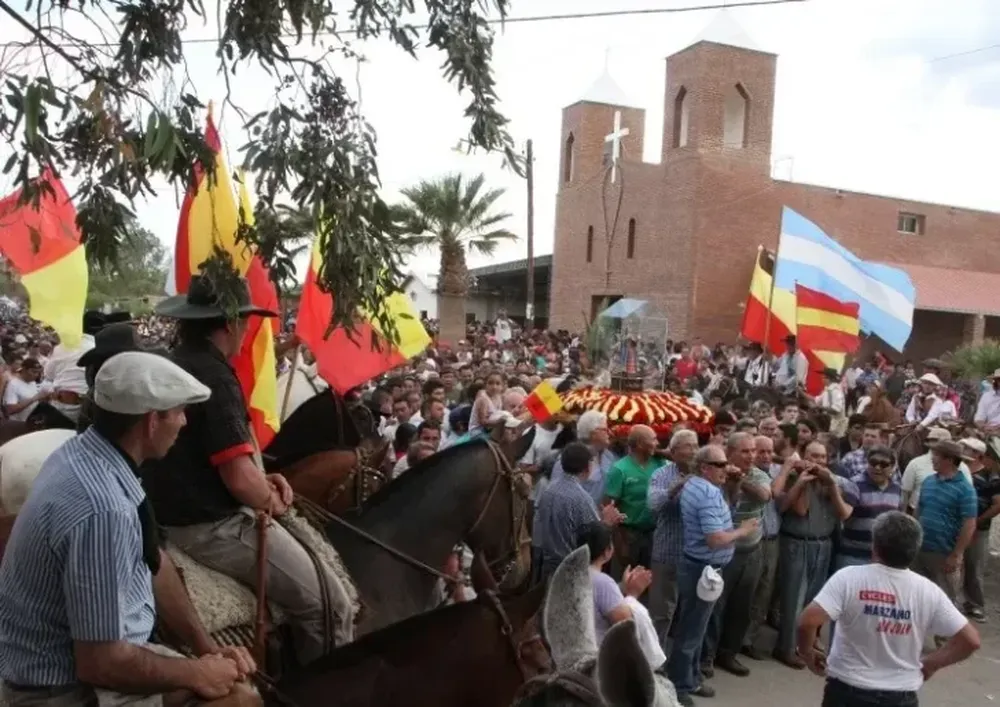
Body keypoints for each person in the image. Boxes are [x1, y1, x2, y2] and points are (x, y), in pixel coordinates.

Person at [0, 351, 257, 705]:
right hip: (59, 690)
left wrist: (208, 650)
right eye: (180, 412)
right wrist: (199, 673)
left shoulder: (86, 454)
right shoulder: (104, 509)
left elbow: (152, 559)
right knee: (243, 701)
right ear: (152, 421)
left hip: (76, 665)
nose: (183, 422)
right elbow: (101, 663)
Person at [143, 275, 351, 663]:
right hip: (211, 528)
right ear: (228, 323)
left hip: (166, 515)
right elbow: (239, 480)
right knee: (329, 602)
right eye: (246, 321)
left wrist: (261, 475)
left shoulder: (173, 362)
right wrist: (276, 501)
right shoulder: (216, 375)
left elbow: (212, 459)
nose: (247, 330)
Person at [797, 511, 980, 707]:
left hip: (848, 691)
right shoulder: (927, 591)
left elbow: (808, 621)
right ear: (915, 549)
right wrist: (931, 663)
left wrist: (807, 653)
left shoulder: (848, 578)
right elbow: (970, 641)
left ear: (875, 545)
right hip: (900, 695)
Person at [666, 444, 759, 707]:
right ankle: (680, 685)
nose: (726, 468)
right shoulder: (705, 492)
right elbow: (716, 538)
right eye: (719, 465)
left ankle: (691, 678)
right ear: (705, 467)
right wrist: (743, 530)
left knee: (697, 626)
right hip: (703, 567)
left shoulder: (698, 485)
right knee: (692, 629)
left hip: (700, 566)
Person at [533, 442, 624, 580]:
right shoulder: (581, 498)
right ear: (587, 467)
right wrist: (607, 522)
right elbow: (595, 540)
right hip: (570, 572)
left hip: (546, 567)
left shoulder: (548, 491)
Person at [577, 522, 660, 668]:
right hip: (598, 660)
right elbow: (626, 625)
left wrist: (622, 586)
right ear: (607, 551)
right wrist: (633, 594)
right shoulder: (603, 582)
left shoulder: (572, 574)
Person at [961, 437, 1000, 623]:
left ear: (977, 454)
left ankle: (976, 604)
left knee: (974, 566)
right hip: (958, 526)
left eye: (967, 449)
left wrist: (978, 520)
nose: (963, 450)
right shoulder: (960, 471)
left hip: (979, 529)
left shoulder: (990, 476)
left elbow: (998, 504)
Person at [3, 357, 49, 421]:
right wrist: (34, 398)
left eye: (38, 372)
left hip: (32, 422)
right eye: (33, 372)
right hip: (18, 425)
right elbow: (10, 409)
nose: (36, 375)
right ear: (24, 370)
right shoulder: (13, 384)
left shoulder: (33, 383)